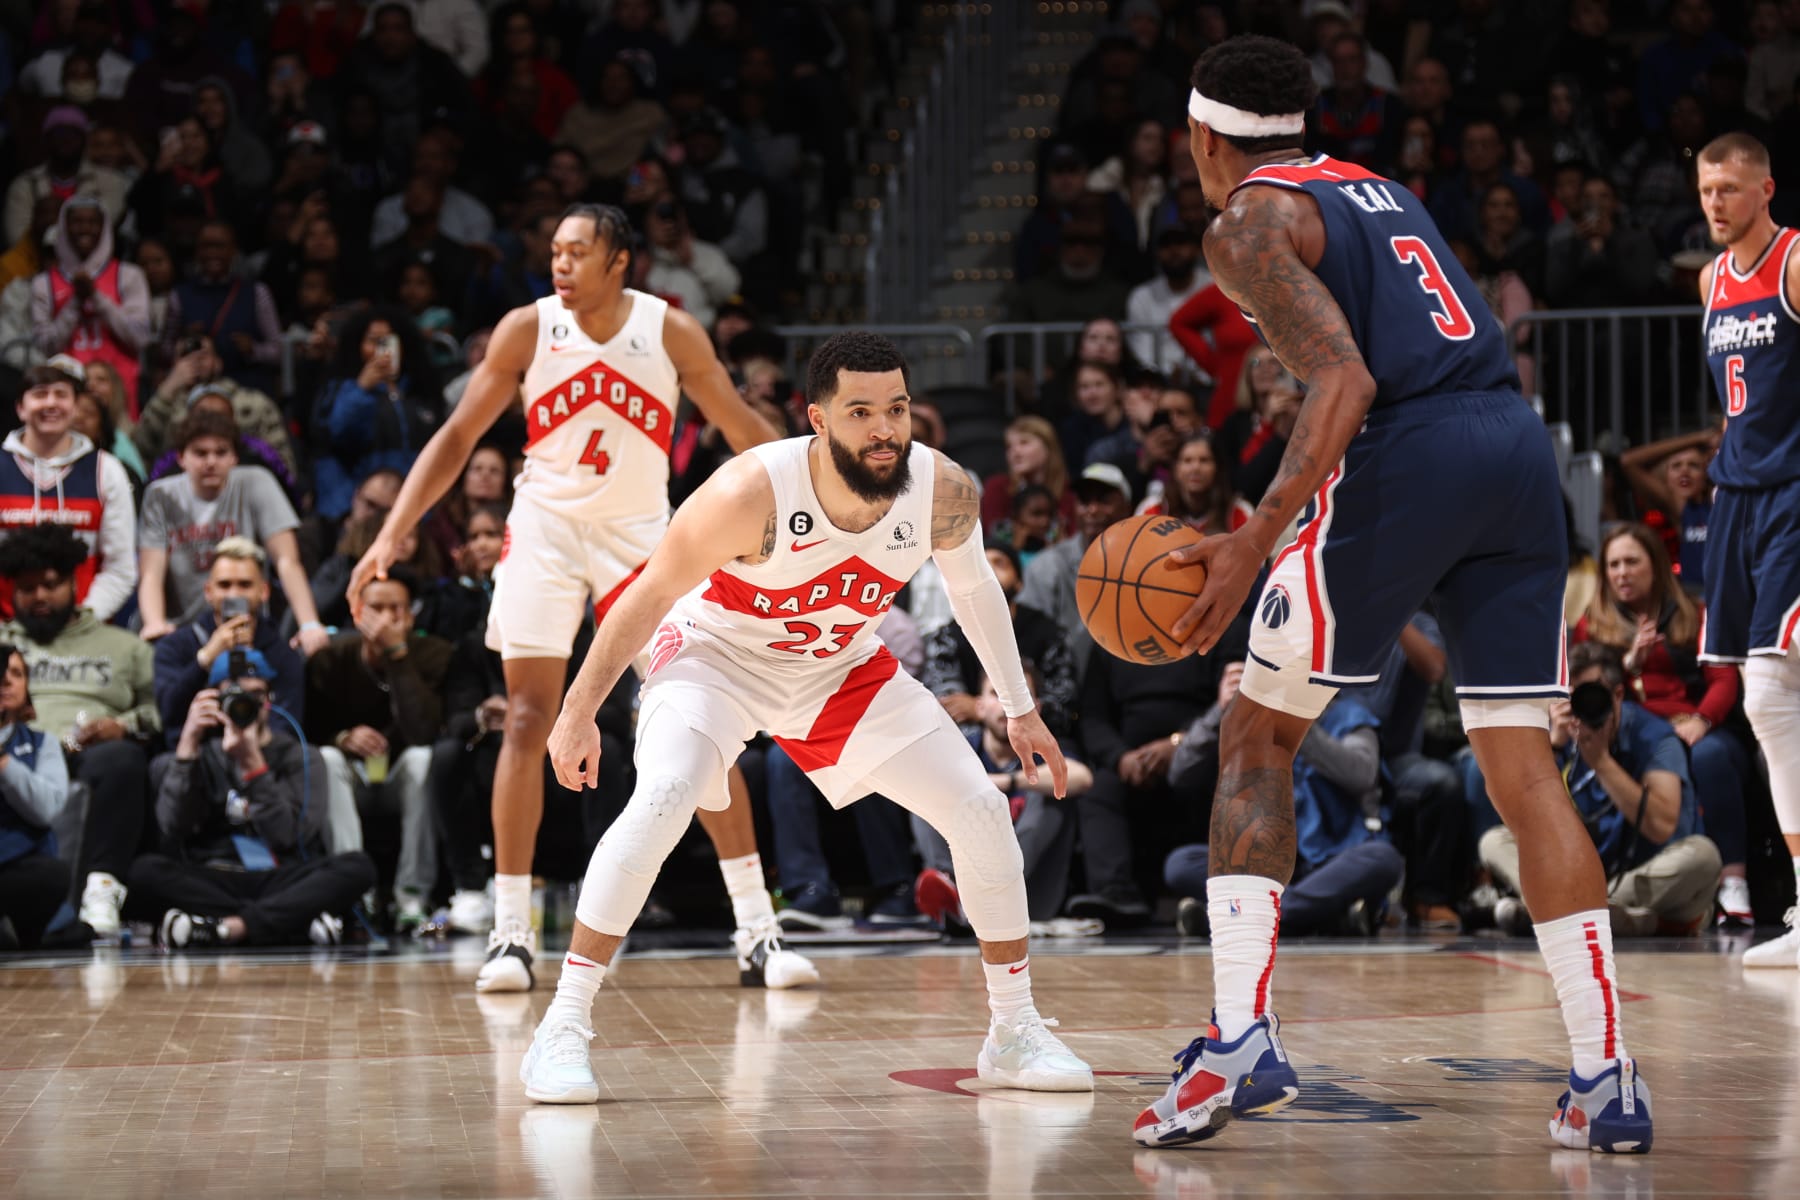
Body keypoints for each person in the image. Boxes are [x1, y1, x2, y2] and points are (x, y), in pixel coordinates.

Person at [1138, 36, 1651, 1153]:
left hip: (1415, 452)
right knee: (1521, 768)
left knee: (1256, 734)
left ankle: (1238, 1040)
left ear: (1202, 139)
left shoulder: (1246, 223)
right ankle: (1605, 1077)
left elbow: (1346, 379)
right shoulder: (1377, 188)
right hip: (1515, 447)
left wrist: (1252, 538)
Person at [529, 331, 1091, 1104]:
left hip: (836, 667)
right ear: (818, 420)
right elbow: (648, 594)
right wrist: (577, 711)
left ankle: (1015, 1031)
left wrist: (1021, 711)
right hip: (718, 659)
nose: (884, 429)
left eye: (896, 408)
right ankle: (561, 1025)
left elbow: (973, 593)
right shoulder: (749, 491)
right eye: (861, 412)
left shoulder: (942, 488)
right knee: (664, 797)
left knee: (980, 809)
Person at [346, 203, 793, 994]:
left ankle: (758, 930)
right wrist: (393, 531)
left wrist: (816, 498)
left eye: (577, 251)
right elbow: (457, 437)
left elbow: (739, 426)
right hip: (546, 531)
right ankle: (511, 934)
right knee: (526, 719)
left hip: (640, 535)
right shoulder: (527, 329)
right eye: (554, 250)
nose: (560, 263)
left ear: (619, 261)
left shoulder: (670, 331)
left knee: (700, 720)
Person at [1692, 133, 1800, 968]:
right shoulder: (1710, 281)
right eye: (1705, 191)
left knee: (1767, 693)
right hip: (1739, 497)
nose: (1715, 204)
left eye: (1729, 189)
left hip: (1794, 489)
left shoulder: (1795, 262)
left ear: (1765, 189)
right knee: (1767, 695)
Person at [133, 653, 375, 949]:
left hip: (280, 875)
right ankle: (291, 922)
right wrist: (188, 745)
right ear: (214, 700)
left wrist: (253, 765)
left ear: (269, 700)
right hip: (216, 874)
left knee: (358, 867)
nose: (243, 704)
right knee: (143, 872)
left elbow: (288, 836)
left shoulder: (301, 756)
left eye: (255, 694)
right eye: (233, 695)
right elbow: (173, 826)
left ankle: (225, 927)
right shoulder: (201, 755)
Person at [1480, 644, 1722, 938]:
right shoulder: (1561, 737)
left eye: (1591, 695)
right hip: (1580, 874)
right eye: (1571, 698)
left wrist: (1602, 763)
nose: (1582, 707)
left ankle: (1561, 911)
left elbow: (1660, 826)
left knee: (1704, 856)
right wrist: (1552, 748)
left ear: (1617, 695)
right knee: (1494, 840)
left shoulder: (1656, 738)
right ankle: (1617, 918)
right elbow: (1526, 821)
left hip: (1646, 872)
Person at [1576, 524, 1751, 922]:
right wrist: (1628, 664)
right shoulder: (1594, 622)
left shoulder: (1694, 613)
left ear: (1655, 565)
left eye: (1631, 562)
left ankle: (1732, 880)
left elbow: (1723, 679)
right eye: (1613, 565)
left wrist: (1701, 720)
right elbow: (1586, 688)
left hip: (1691, 725)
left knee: (1710, 756)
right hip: (1626, 729)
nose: (1622, 573)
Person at [0, 523, 157, 941]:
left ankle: (101, 888)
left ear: (74, 583)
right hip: (16, 751)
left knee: (123, 758)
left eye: (50, 585)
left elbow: (158, 711)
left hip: (89, 754)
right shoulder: (3, 643)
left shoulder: (125, 647)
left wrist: (123, 725)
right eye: (27, 588)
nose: (39, 596)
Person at [304, 569, 451, 931]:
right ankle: (353, 889)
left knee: (422, 760)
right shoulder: (330, 659)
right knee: (327, 758)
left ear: (410, 615)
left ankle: (411, 896)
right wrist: (342, 738)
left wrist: (397, 655)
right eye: (375, 609)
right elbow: (308, 732)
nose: (385, 619)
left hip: (400, 776)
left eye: (395, 609)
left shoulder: (435, 654)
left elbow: (423, 732)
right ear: (357, 613)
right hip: (352, 776)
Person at [137, 410, 329, 650]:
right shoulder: (160, 495)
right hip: (184, 631)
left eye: (221, 452)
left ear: (234, 457)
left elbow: (287, 561)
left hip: (248, 628)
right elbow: (151, 573)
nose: (211, 462)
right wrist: (154, 623)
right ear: (181, 458)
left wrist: (309, 624)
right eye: (200, 453)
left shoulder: (257, 482)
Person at [0, 363, 136, 623]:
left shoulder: (106, 470)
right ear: (20, 408)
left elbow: (120, 568)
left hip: (85, 630)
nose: (51, 403)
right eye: (40, 394)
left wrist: (82, 622)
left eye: (61, 394)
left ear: (74, 407)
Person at [153, 539, 307, 751]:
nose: (234, 594)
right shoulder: (175, 646)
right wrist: (205, 660)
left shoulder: (282, 654)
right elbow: (168, 714)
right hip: (198, 755)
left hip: (263, 755)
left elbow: (286, 727)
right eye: (224, 585)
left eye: (245, 585)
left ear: (264, 591)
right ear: (208, 591)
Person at [0, 643, 69, 950]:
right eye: (0, 672)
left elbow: (47, 809)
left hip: (18, 869)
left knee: (51, 876)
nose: (6, 680)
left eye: (16, 673)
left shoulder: (43, 743)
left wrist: (4, 763)